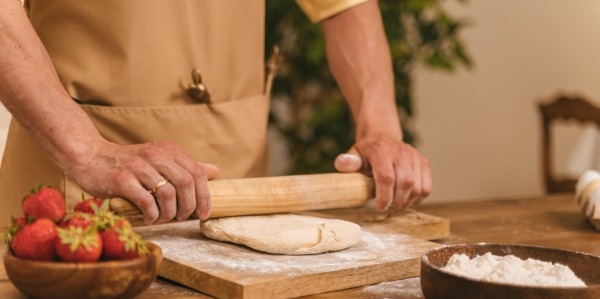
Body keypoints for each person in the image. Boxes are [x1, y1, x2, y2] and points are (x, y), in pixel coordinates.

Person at [0, 0, 431, 226]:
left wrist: (379, 126)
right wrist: (86, 150)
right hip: (80, 183)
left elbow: (343, 3)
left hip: (234, 184)